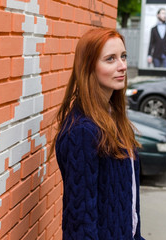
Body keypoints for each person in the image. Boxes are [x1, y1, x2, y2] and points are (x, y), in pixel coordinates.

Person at [51, 27, 145, 239]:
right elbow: (80, 221)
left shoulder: (115, 119)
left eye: (123, 56)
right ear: (89, 67)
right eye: (110, 59)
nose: (122, 66)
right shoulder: (82, 132)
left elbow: (129, 200)